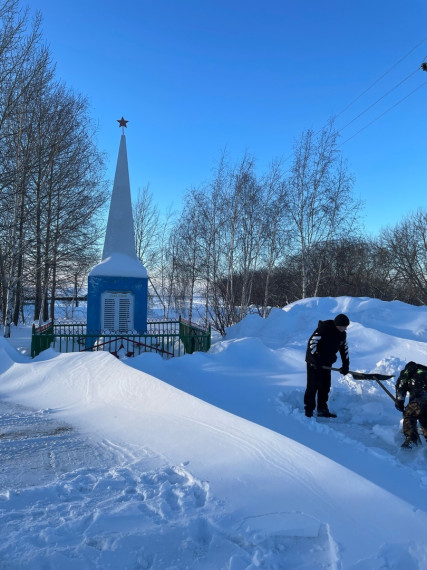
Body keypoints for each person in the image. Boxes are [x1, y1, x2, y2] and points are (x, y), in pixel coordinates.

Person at [304, 313, 350, 418]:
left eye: (345, 327)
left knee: (325, 386)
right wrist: (316, 360)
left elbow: (344, 350)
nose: (343, 329)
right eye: (342, 326)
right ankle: (309, 410)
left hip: (326, 363)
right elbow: (312, 343)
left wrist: (345, 365)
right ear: (336, 324)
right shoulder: (323, 329)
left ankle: (322, 409)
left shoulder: (342, 334)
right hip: (313, 362)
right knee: (312, 386)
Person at [395, 361, 427, 449]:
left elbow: (401, 385)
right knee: (424, 419)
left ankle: (412, 440)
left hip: (419, 399)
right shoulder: (425, 371)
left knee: (409, 415)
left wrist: (400, 402)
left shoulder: (410, 370)